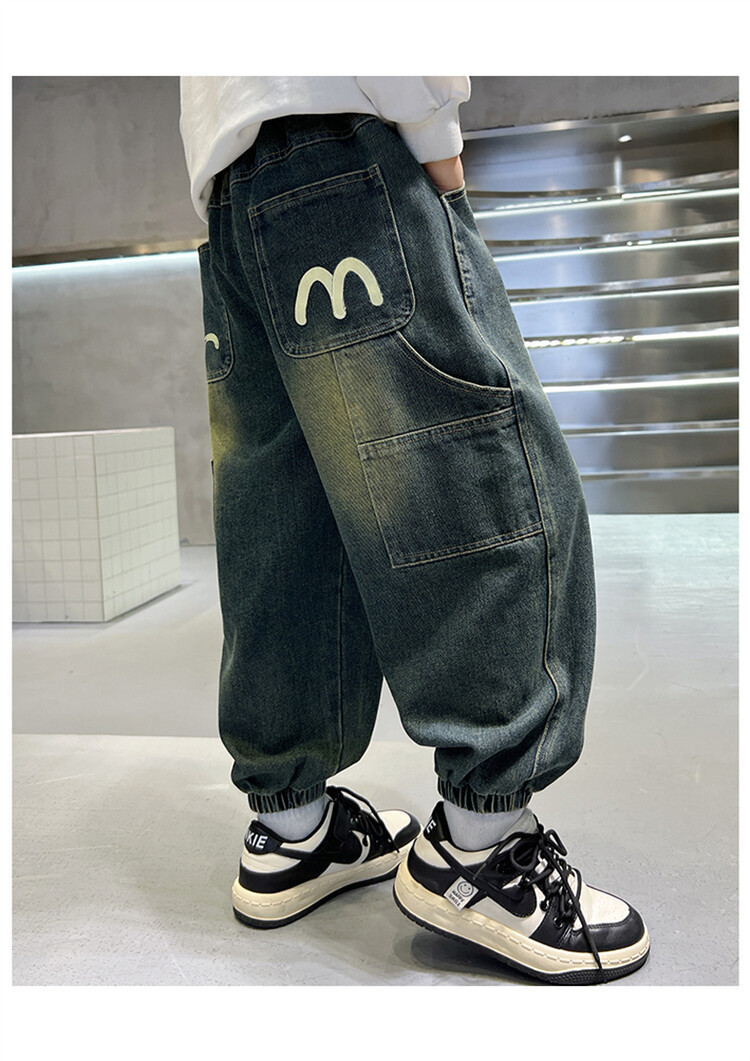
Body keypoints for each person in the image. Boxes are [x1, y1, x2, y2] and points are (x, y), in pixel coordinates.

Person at [179, 75, 649, 985]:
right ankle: (481, 849)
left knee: (285, 518)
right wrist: (435, 132)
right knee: (470, 471)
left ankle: (291, 829)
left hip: (231, 190)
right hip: (347, 142)